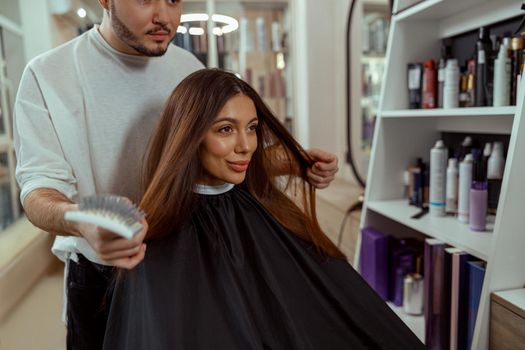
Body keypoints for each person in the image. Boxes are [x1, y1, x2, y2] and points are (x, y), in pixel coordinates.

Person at [13, 1, 338, 349]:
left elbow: (209, 160)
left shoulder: (187, 67)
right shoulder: (49, 75)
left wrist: (292, 162)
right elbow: (38, 191)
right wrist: (81, 219)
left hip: (186, 262)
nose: (164, 17)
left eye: (173, 1)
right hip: (103, 274)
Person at [102, 68, 424, 349]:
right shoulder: (159, 240)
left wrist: (298, 162)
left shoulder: (264, 212)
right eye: (225, 129)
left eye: (252, 127)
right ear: (189, 136)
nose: (246, 145)